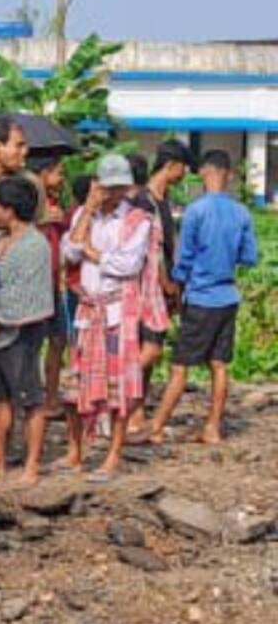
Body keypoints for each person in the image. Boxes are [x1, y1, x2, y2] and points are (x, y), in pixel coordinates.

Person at [150, 149, 259, 445]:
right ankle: (212, 427)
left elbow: (184, 258)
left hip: (201, 298)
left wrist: (174, 285)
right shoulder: (241, 212)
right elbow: (250, 257)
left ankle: (156, 426)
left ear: (204, 173)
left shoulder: (196, 211)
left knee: (180, 365)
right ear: (228, 174)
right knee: (219, 364)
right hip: (228, 296)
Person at [60, 154, 151, 479]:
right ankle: (75, 451)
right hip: (88, 310)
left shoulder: (137, 221)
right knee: (75, 384)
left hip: (116, 311)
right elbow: (69, 252)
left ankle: (113, 455)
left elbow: (128, 265)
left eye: (118, 188)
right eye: (107, 188)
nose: (112, 194)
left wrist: (92, 253)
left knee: (119, 388)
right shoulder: (85, 215)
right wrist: (87, 211)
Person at [0, 175, 57, 482]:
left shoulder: (35, 246)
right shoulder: (0, 241)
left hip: (21, 333)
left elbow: (27, 294)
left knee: (30, 400)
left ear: (9, 209)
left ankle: (32, 463)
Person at [128, 141, 190, 441]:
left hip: (160, 285)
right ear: (171, 165)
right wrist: (166, 281)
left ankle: (136, 412)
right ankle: (117, 393)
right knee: (150, 348)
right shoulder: (145, 201)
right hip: (147, 285)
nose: (184, 174)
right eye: (183, 167)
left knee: (148, 347)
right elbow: (150, 249)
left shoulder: (162, 200)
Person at [30, 153, 71, 401]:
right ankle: (31, 396)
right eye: (59, 173)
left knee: (58, 339)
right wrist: (40, 220)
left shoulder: (56, 201)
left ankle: (51, 397)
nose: (62, 178)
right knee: (32, 343)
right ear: (44, 173)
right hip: (35, 283)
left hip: (55, 281)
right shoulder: (27, 201)